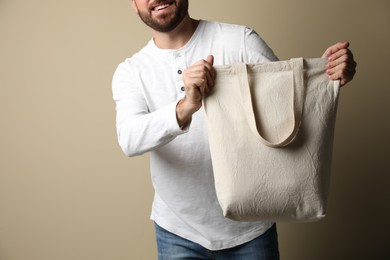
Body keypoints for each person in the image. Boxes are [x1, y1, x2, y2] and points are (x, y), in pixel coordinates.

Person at [112, 1, 357, 259]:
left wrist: (328, 75)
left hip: (251, 228)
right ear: (134, 4)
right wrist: (185, 107)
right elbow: (129, 139)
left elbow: (285, 107)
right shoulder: (131, 71)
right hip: (177, 231)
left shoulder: (240, 40)